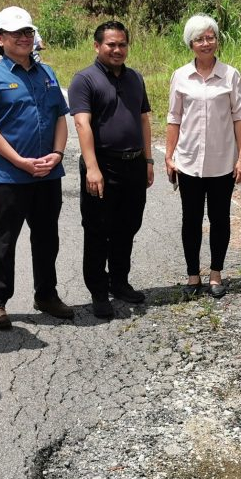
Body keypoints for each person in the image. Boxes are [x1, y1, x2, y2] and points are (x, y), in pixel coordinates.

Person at [0, 6, 73, 329]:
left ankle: (46, 294)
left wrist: (57, 154)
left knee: (47, 238)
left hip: (48, 173)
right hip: (10, 175)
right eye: (16, 34)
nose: (24, 38)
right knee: (5, 239)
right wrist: (19, 161)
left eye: (28, 32)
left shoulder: (48, 74)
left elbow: (60, 116)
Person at [69, 21, 153, 319]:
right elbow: (82, 124)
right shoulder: (85, 80)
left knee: (127, 227)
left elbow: (143, 120)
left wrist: (148, 160)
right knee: (97, 230)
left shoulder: (135, 78)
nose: (117, 50)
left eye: (122, 45)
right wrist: (92, 167)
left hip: (133, 166)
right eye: (111, 45)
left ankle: (119, 281)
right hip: (102, 165)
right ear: (97, 46)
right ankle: (98, 291)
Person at [165, 14, 241, 299]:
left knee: (220, 218)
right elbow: (174, 118)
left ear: (217, 40)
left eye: (210, 37)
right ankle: (192, 275)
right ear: (190, 43)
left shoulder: (230, 75)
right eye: (199, 38)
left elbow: (239, 117)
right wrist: (169, 156)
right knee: (191, 219)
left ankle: (215, 274)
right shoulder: (180, 76)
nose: (206, 43)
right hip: (188, 161)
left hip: (222, 160)